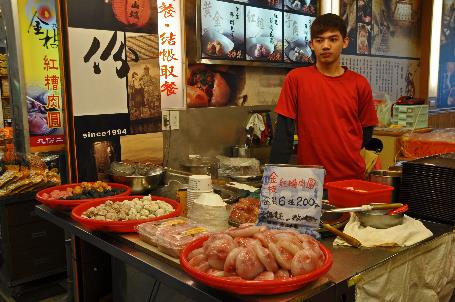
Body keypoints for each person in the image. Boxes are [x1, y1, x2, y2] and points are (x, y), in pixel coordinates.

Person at [270, 13, 378, 183]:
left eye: (333, 39)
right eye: (319, 40)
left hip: (352, 178)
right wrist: (273, 180)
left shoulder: (360, 83)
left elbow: (367, 131)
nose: (326, 46)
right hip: (311, 181)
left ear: (345, 41)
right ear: (311, 44)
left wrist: (344, 149)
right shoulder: (296, 79)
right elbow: (284, 133)